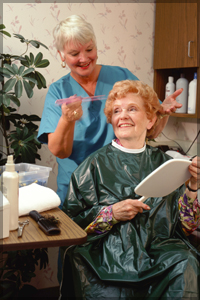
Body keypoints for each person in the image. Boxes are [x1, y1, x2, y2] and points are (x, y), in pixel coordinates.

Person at [60, 80, 200, 299]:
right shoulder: (92, 166)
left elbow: (186, 227)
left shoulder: (167, 165)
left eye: (132, 109)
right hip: (105, 256)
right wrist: (111, 214)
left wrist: (193, 186)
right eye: (117, 111)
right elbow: (72, 228)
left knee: (186, 262)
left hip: (159, 253)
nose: (122, 115)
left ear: (151, 119)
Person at [37, 15, 183, 209]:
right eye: (74, 53)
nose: (84, 58)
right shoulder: (59, 91)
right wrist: (67, 119)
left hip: (120, 187)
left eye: (89, 49)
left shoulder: (122, 76)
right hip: (78, 190)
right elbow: (60, 151)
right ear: (62, 55)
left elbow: (150, 130)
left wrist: (163, 112)